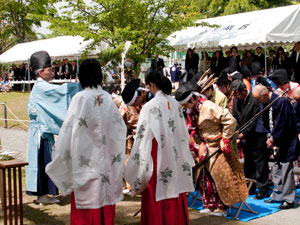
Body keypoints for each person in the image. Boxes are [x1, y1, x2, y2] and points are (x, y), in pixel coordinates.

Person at [46, 59, 126, 224]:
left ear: (81, 75)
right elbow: (119, 129)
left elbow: (68, 131)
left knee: (87, 212)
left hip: (86, 165)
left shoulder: (80, 98)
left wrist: (60, 155)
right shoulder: (107, 98)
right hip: (106, 166)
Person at [125, 71, 194, 225]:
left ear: (152, 85)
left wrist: (137, 162)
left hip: (156, 155)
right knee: (174, 187)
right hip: (175, 153)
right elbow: (182, 132)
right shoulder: (175, 104)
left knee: (156, 189)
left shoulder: (150, 106)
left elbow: (142, 137)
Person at [175, 82, 248, 216]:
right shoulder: (192, 110)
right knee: (204, 178)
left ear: (192, 99)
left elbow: (230, 120)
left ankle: (223, 207)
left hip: (216, 145)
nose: (185, 107)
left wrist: (225, 139)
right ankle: (209, 204)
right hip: (202, 146)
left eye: (186, 104)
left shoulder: (208, 106)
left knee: (220, 178)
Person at [26, 51, 81, 204]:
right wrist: (79, 86)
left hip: (44, 131)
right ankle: (42, 195)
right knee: (43, 161)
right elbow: (61, 93)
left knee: (46, 161)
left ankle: (44, 194)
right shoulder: (41, 87)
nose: (52, 72)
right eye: (49, 70)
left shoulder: (42, 86)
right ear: (40, 72)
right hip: (40, 132)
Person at [252, 85, 299, 209]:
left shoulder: (281, 101)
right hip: (274, 138)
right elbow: (263, 121)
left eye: (258, 99)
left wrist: (274, 138)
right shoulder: (265, 103)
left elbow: (283, 123)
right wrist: (268, 136)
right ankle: (277, 195)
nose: (258, 102)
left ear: (264, 94)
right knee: (276, 168)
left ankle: (289, 199)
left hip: (286, 140)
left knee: (286, 169)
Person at [230, 80, 269, 199]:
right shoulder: (236, 101)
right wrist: (237, 131)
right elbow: (234, 116)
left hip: (256, 135)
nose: (237, 97)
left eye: (238, 94)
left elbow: (255, 120)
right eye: (235, 95)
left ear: (245, 91)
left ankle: (263, 188)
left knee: (260, 163)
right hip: (243, 135)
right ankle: (250, 187)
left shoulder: (254, 101)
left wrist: (244, 133)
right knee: (249, 163)